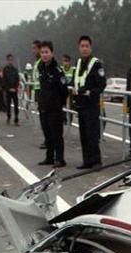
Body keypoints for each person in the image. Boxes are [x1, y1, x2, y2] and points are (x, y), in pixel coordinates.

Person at [74, 35, 106, 169]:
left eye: (87, 46)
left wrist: (91, 92)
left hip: (91, 104)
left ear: (90, 47)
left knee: (92, 133)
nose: (84, 49)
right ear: (79, 48)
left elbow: (101, 83)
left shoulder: (96, 63)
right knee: (83, 134)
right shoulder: (79, 63)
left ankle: (96, 161)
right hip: (81, 104)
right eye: (82, 46)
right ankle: (87, 160)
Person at [37, 41, 67, 168]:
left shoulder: (57, 71)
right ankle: (49, 157)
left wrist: (57, 104)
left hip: (55, 108)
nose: (44, 55)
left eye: (46, 52)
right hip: (43, 107)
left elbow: (64, 91)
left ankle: (59, 158)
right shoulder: (41, 69)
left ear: (52, 53)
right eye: (42, 52)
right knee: (47, 134)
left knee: (56, 135)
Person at [32, 40, 46, 149]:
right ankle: (46, 139)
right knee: (42, 117)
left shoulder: (42, 62)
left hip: (42, 91)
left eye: (35, 48)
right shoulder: (36, 62)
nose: (33, 51)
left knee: (45, 118)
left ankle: (48, 140)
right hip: (37, 90)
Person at [2, 54, 20, 125]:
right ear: (7, 60)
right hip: (8, 89)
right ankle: (8, 116)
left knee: (16, 104)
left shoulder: (15, 69)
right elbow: (4, 80)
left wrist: (15, 88)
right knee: (8, 104)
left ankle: (16, 118)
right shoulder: (5, 69)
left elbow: (17, 79)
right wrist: (8, 88)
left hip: (14, 89)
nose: (11, 61)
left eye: (12, 60)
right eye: (9, 60)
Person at [61, 54, 75, 125]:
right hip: (63, 91)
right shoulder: (61, 69)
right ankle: (64, 120)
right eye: (63, 61)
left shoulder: (73, 70)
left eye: (66, 61)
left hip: (70, 91)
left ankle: (70, 120)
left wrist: (71, 86)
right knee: (63, 105)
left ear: (69, 62)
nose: (65, 63)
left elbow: (74, 80)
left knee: (71, 106)